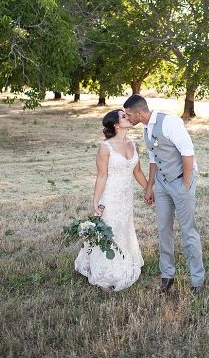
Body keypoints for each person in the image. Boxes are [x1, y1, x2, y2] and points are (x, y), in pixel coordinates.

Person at [123, 94, 205, 294]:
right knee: (163, 229)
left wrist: (185, 183)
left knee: (188, 231)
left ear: (140, 113)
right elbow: (153, 159)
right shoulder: (145, 129)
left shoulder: (170, 122)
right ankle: (167, 274)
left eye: (128, 115)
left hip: (180, 181)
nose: (127, 118)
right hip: (161, 183)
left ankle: (197, 279)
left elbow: (187, 152)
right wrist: (150, 186)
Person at [75, 109, 147, 292]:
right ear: (116, 125)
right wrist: (95, 201)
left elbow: (137, 172)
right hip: (111, 196)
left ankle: (124, 260)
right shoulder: (105, 148)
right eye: (124, 116)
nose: (128, 117)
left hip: (126, 197)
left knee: (124, 228)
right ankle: (105, 272)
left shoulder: (133, 144)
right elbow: (101, 176)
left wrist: (149, 188)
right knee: (111, 230)